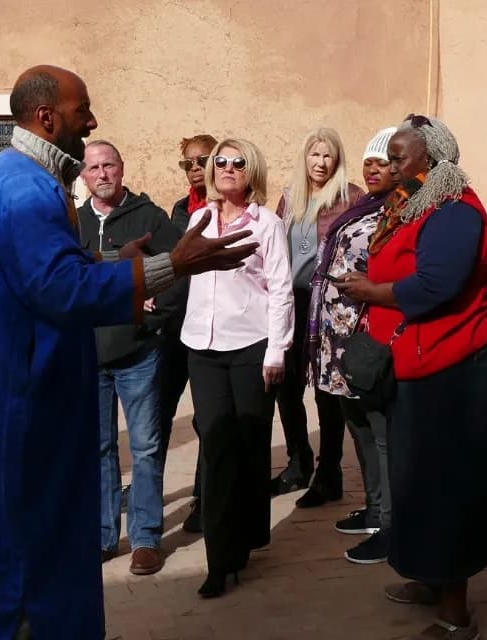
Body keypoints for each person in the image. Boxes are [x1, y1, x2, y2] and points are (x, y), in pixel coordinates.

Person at [0, 65, 257, 640]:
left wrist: (116, 264)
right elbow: (58, 289)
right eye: (84, 112)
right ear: (49, 117)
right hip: (26, 402)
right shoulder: (24, 186)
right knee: (30, 544)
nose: (93, 122)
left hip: (12, 392)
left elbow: (32, 277)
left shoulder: (8, 175)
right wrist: (171, 265)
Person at [336, 115, 487, 640]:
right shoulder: (418, 206)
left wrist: (368, 291)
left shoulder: (456, 211)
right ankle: (428, 576)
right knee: (415, 482)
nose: (390, 166)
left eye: (399, 157)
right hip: (414, 362)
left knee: (445, 487)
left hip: (450, 368)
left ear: (432, 159)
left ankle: (456, 613)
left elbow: (436, 284)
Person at [181, 138, 294, 599]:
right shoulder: (198, 219)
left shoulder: (266, 224)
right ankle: (219, 559)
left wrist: (276, 352)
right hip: (202, 347)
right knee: (215, 443)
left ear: (253, 172)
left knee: (249, 444)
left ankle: (249, 533)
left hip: (250, 345)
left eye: (237, 162)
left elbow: (281, 288)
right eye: (219, 161)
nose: (227, 168)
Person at [77, 139, 183, 571]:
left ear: (122, 169)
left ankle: (145, 538)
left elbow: (180, 269)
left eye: (109, 166)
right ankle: (104, 535)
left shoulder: (149, 218)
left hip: (138, 352)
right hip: (89, 353)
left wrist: (153, 317)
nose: (102, 174)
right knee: (99, 448)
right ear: (82, 176)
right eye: (93, 168)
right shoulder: (73, 221)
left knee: (144, 446)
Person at [308, 126, 397, 564]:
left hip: (367, 334)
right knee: (357, 427)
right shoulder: (363, 207)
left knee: (381, 432)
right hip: (337, 336)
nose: (374, 169)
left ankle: (391, 522)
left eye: (383, 162)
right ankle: (376, 506)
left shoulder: (397, 212)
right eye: (369, 162)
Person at [273, 127, 365, 505]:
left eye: (328, 155)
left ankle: (330, 475)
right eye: (314, 155)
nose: (320, 163)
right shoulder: (289, 199)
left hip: (329, 306)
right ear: (304, 158)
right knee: (286, 386)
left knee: (328, 390)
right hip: (291, 302)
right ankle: (299, 461)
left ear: (337, 159)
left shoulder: (351, 198)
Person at [163, 133, 218, 534]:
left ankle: (205, 496)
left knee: (207, 419)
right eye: (188, 163)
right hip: (171, 329)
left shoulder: (230, 209)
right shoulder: (179, 211)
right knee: (158, 413)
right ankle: (150, 491)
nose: (195, 167)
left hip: (209, 328)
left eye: (202, 160)